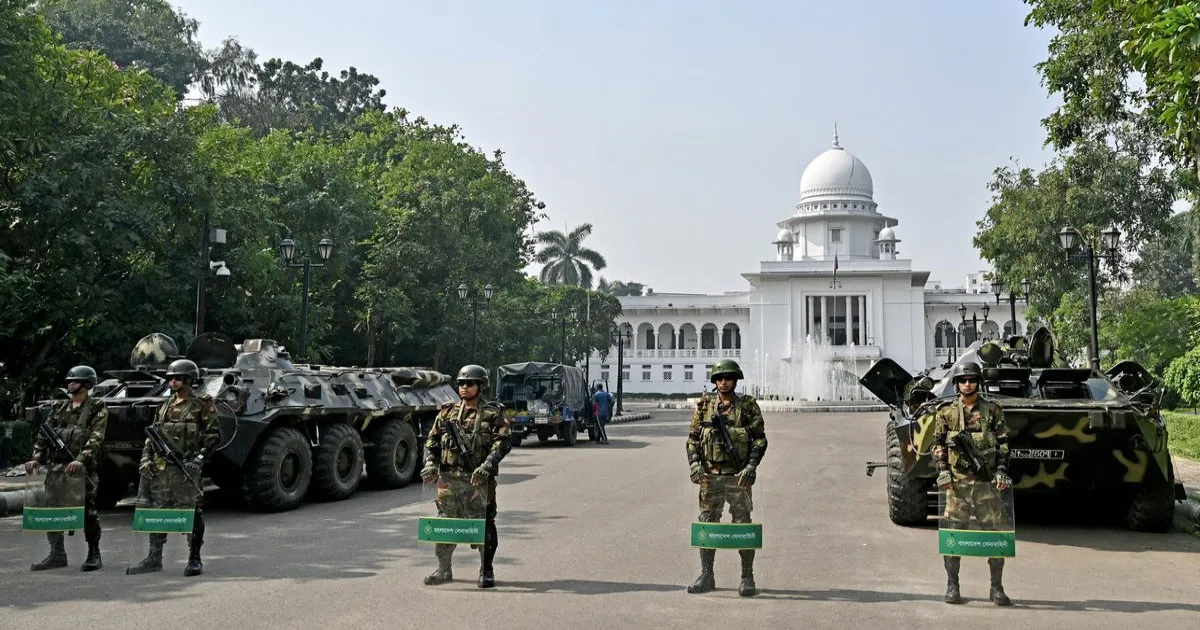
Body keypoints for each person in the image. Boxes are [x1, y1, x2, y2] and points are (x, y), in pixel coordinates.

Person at [127, 359, 221, 577]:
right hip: (161, 470)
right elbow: (152, 437)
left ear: (189, 379)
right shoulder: (164, 406)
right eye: (170, 378)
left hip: (187, 468)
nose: (172, 381)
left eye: (177, 378)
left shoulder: (202, 404)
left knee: (192, 512)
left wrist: (198, 459)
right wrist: (145, 460)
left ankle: (194, 558)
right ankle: (154, 558)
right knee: (158, 512)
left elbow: (213, 436)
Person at [421, 364, 511, 588]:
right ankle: (443, 569)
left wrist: (486, 467)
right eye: (461, 383)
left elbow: (502, 443)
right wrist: (430, 463)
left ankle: (486, 570)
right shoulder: (447, 412)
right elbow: (432, 441)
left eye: (470, 383)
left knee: (484, 523)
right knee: (445, 523)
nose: (464, 387)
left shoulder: (492, 414)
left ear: (481, 386)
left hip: (478, 481)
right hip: (449, 479)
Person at [932, 361, 1013, 606]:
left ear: (978, 382)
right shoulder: (946, 412)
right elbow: (938, 445)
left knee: (995, 537)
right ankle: (952, 585)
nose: (967, 384)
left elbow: (1003, 445)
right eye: (963, 380)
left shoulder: (993, 410)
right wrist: (943, 471)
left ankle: (996, 588)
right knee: (954, 536)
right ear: (957, 384)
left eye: (972, 380)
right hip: (957, 485)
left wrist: (1001, 471)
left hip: (987, 484)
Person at [685, 359, 767, 596]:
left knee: (743, 525)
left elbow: (760, 439)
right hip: (710, 478)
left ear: (735, 380)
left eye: (728, 378)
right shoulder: (704, 407)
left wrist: (751, 467)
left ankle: (747, 576)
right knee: (707, 524)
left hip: (738, 477)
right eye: (719, 378)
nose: (723, 382)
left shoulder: (748, 406)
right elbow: (692, 439)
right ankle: (706, 574)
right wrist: (694, 465)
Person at [26, 365, 109, 571]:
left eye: (75, 381)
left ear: (87, 383)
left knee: (87, 511)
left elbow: (96, 437)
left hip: (82, 470)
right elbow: (44, 436)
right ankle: (57, 553)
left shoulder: (96, 407)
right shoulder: (59, 408)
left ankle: (94, 553)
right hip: (56, 469)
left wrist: (80, 459)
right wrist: (36, 458)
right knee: (53, 509)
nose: (70, 384)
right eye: (69, 381)